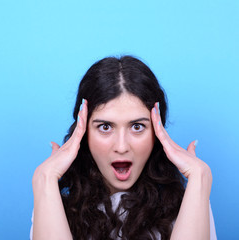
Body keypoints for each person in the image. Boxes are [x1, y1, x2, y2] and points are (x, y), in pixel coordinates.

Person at [30, 56, 217, 240]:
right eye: (105, 127)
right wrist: (44, 178)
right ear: (84, 132)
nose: (121, 147)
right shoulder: (52, 205)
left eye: (137, 127)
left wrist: (200, 177)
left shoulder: (191, 203)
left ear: (157, 132)